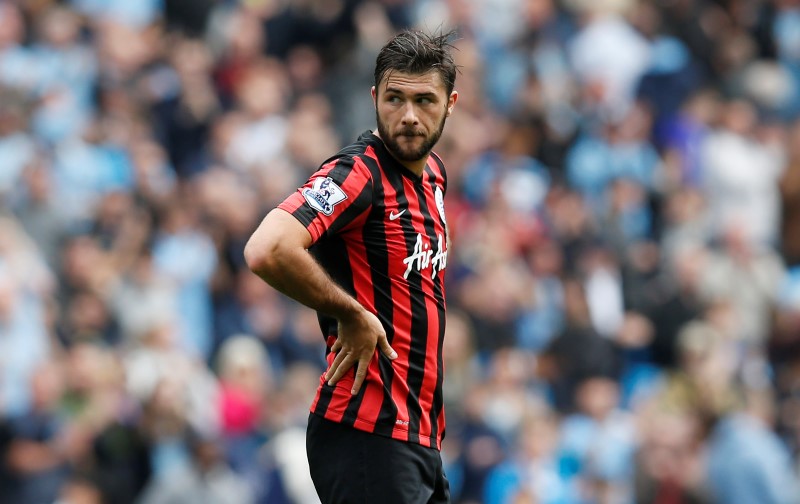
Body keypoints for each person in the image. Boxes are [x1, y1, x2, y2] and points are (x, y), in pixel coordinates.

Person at [244, 29, 458, 503]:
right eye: (394, 98)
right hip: (366, 431)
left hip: (418, 437)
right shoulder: (356, 173)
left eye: (424, 100)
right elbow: (267, 248)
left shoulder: (435, 176)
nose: (407, 115)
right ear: (373, 98)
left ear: (450, 104)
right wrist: (351, 312)